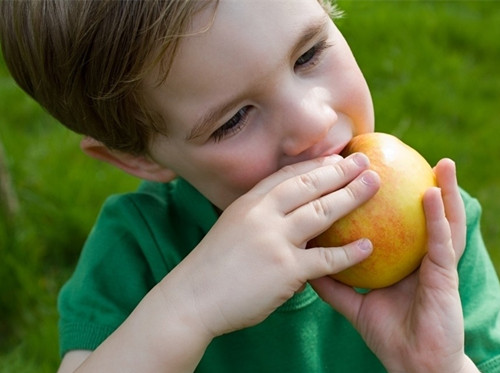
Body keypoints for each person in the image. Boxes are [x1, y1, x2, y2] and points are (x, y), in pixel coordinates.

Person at [1, 0, 499, 372]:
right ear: (137, 158)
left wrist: (440, 365)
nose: (311, 122)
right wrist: (193, 304)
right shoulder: (138, 251)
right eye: (234, 119)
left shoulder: (435, 229)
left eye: (308, 54)